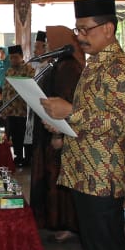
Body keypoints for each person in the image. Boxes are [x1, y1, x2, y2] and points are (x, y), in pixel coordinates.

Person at [42, 0, 125, 250]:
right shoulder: (97, 64)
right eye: (77, 29)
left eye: (86, 29)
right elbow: (92, 117)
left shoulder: (120, 69)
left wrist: (71, 113)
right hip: (85, 171)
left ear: (108, 29)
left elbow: (118, 123)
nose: (80, 36)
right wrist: (61, 124)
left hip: (103, 174)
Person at [30, 26, 84, 236]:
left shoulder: (69, 67)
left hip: (59, 132)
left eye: (51, 43)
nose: (48, 47)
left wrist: (58, 134)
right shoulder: (57, 63)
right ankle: (52, 221)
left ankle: (65, 223)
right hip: (48, 128)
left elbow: (65, 100)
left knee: (59, 181)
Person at [0, 44, 34, 166]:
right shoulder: (9, 71)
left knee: (25, 136)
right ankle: (18, 157)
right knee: (15, 135)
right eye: (11, 57)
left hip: (24, 111)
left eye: (15, 57)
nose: (13, 60)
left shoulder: (29, 70)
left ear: (21, 56)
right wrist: (3, 108)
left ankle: (28, 158)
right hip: (11, 111)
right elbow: (5, 91)